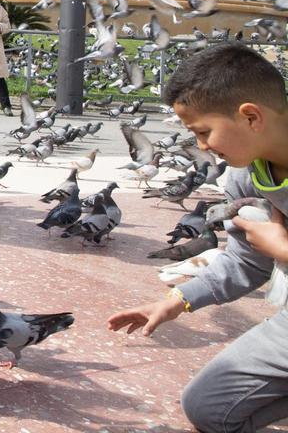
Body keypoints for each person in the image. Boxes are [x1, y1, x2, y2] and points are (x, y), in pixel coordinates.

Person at [107, 43, 288, 433]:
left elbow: (276, 251)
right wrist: (176, 301)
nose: (202, 147)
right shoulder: (245, 176)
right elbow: (245, 262)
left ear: (251, 116)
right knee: (207, 406)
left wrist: (284, 250)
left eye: (203, 132)